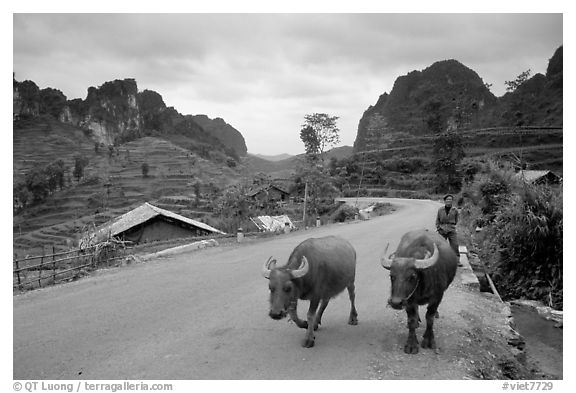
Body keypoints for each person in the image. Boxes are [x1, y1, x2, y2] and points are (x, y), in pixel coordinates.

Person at [436, 194, 460, 262]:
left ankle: (456, 260)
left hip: (451, 229)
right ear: (445, 201)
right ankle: (440, 260)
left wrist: (453, 226)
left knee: (455, 245)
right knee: (441, 246)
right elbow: (437, 220)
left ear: (452, 201)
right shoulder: (440, 210)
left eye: (450, 199)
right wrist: (438, 228)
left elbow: (456, 220)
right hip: (442, 229)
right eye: (447, 199)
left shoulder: (455, 210)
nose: (449, 201)